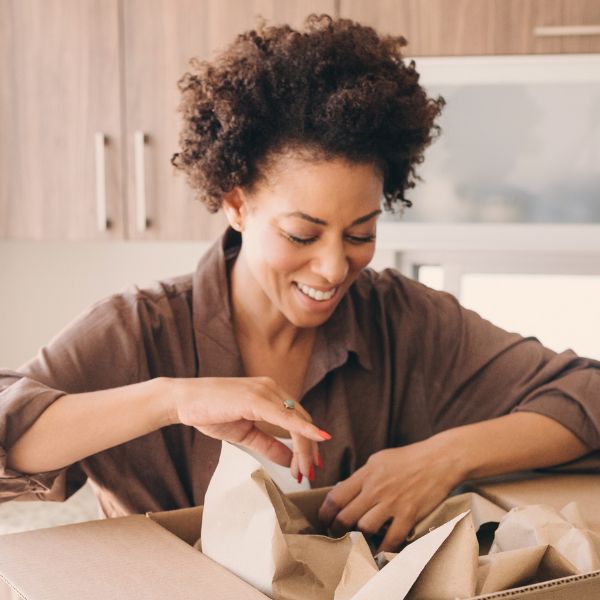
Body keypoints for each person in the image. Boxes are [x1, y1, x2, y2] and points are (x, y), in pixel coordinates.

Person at [1, 15, 599, 553]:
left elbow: (587, 394)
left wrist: (443, 457)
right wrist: (171, 400)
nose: (335, 268)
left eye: (360, 233)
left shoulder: (404, 322)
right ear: (236, 203)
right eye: (302, 235)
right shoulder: (136, 330)